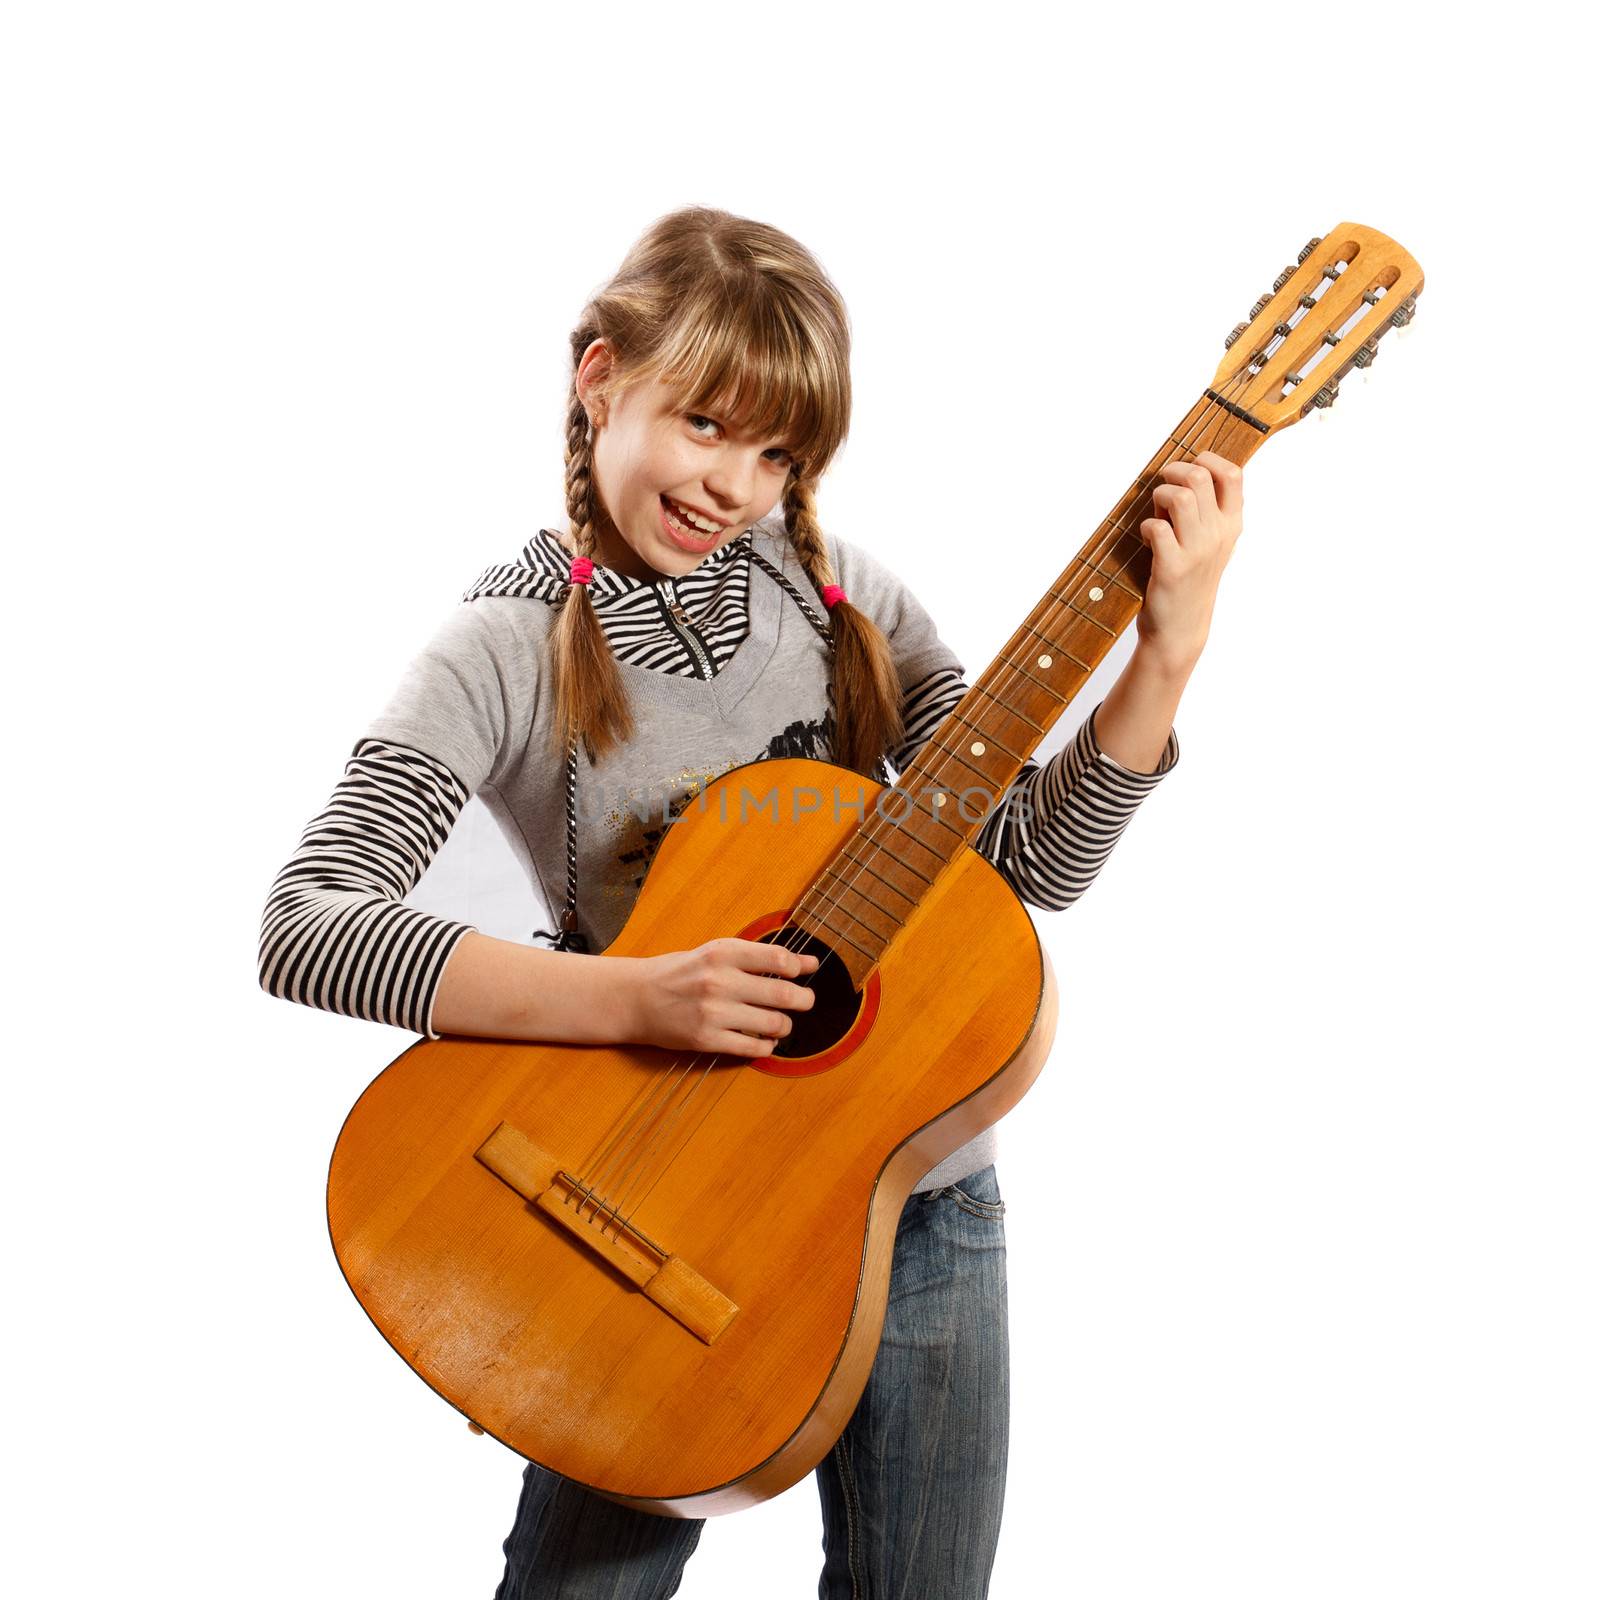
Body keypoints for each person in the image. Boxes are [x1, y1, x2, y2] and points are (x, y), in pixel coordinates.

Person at [258, 204, 1242, 1598]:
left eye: (777, 451)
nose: (735, 481)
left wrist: (1168, 652)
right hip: (639, 1207)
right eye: (708, 424)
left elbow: (1020, 872)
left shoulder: (849, 604)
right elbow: (312, 922)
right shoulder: (503, 646)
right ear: (600, 377)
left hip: (919, 1204)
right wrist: (642, 994)